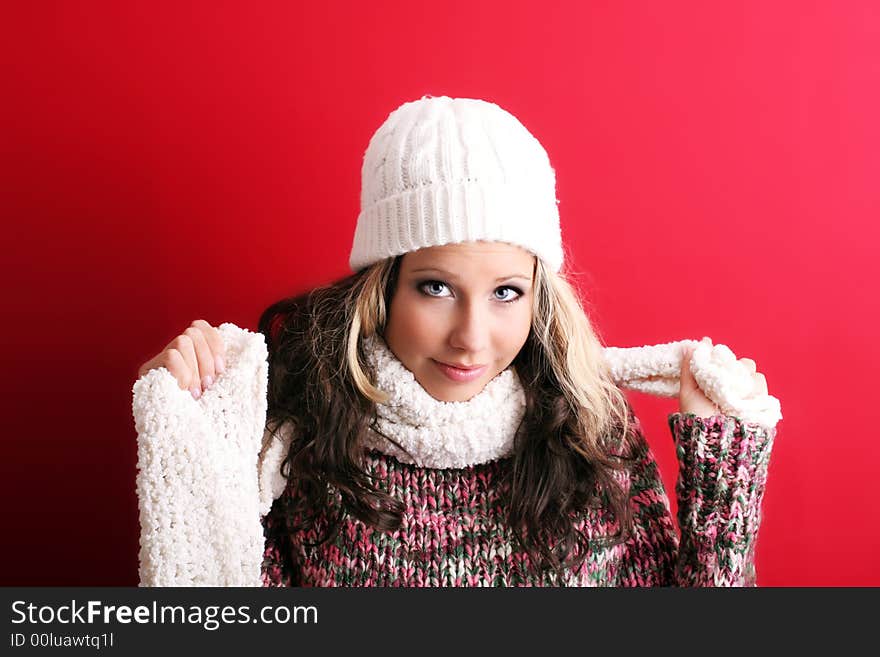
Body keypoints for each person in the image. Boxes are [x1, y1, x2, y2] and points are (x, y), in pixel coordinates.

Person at [134, 95, 779, 587]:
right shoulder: (299, 443)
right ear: (382, 289)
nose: (471, 338)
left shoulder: (592, 432)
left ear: (540, 297)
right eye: (435, 288)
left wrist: (722, 466)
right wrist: (188, 424)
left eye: (506, 293)